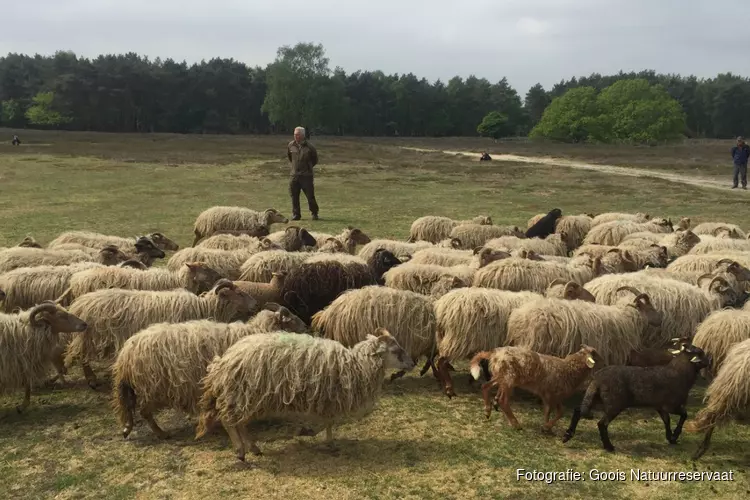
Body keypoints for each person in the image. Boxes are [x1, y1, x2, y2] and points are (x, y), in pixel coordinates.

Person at [287, 126, 319, 220]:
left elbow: (315, 159)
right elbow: (290, 157)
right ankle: (296, 214)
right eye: (294, 134)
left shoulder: (310, 147)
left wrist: (307, 168)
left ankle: (314, 213)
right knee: (294, 195)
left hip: (306, 176)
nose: (295, 136)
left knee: (310, 196)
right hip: (294, 175)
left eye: (297, 134)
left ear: (302, 135)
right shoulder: (291, 145)